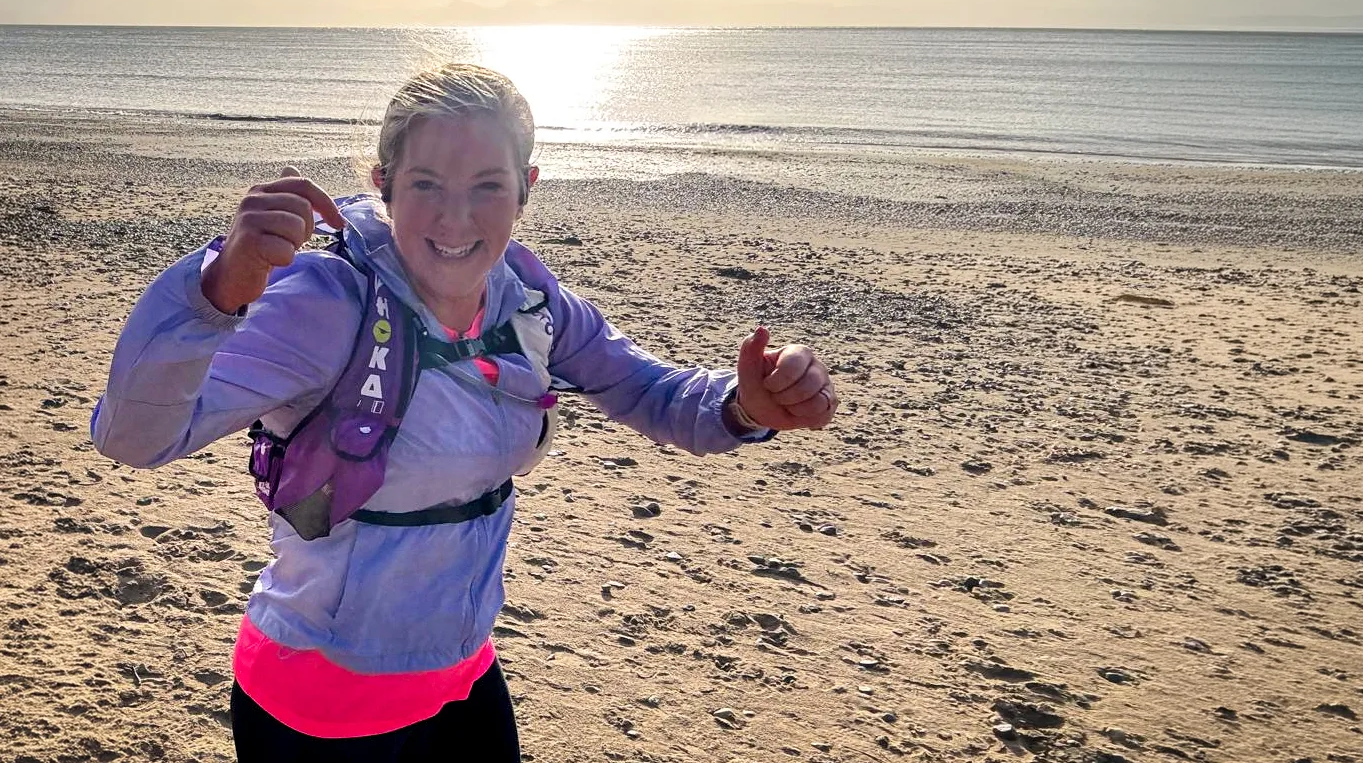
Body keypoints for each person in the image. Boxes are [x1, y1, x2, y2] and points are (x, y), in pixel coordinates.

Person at [90, 63, 838, 762]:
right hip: (317, 693)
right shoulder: (325, 301)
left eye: (487, 185)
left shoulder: (528, 302)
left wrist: (747, 404)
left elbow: (656, 395)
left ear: (526, 187)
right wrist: (218, 288)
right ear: (384, 184)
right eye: (424, 184)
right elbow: (135, 438)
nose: (455, 218)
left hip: (461, 672)